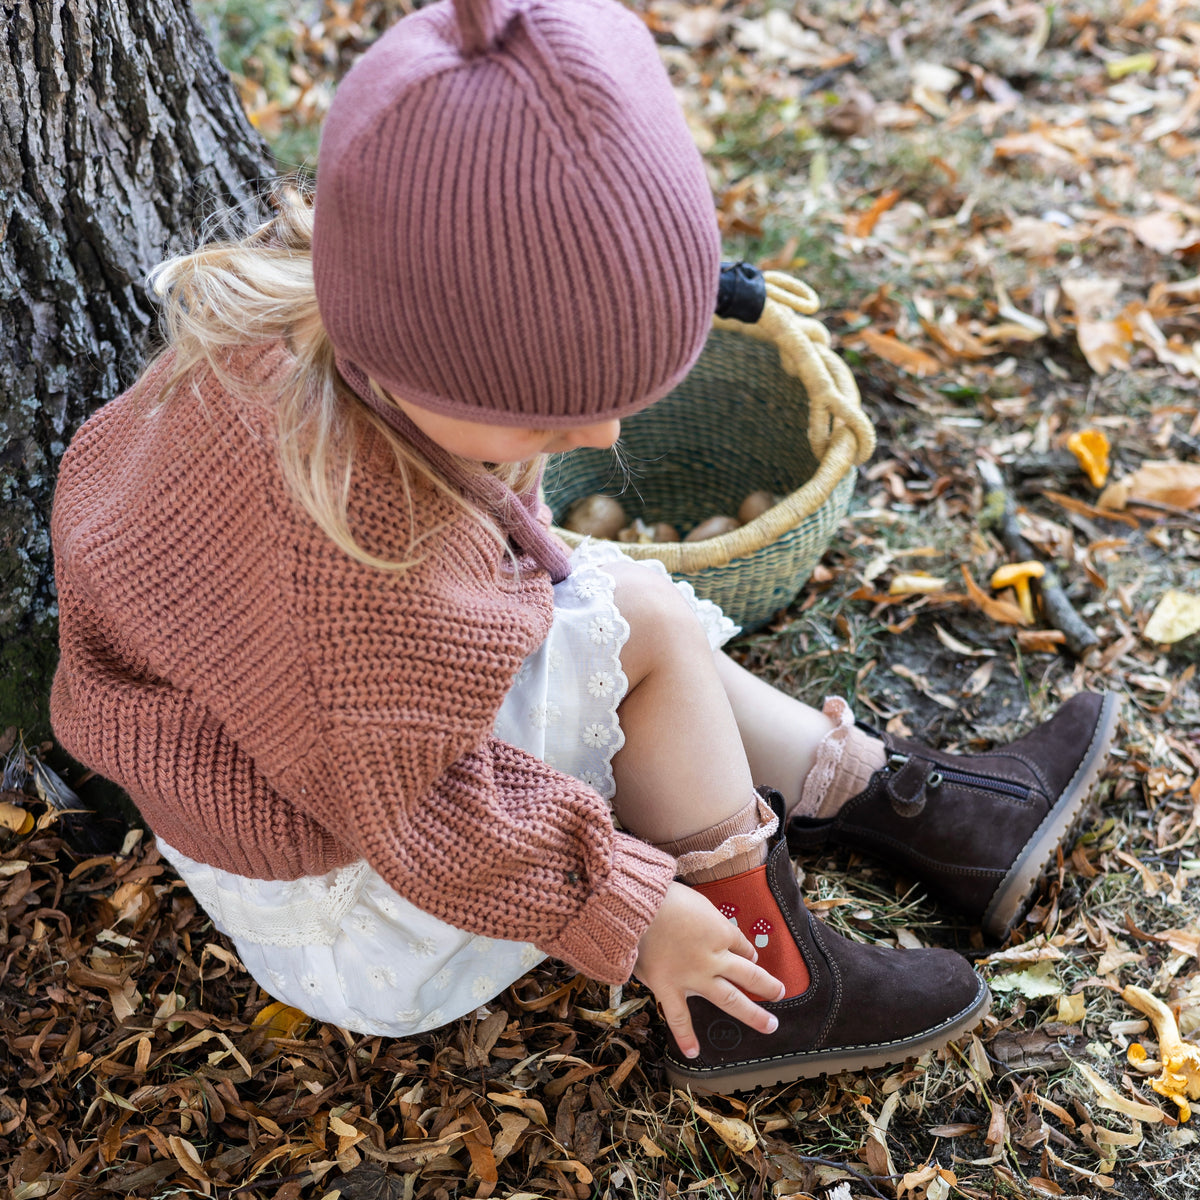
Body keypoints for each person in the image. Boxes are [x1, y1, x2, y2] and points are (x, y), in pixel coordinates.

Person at [49, 0, 1117, 1094]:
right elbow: (421, 807)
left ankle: (916, 807)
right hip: (362, 901)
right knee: (641, 627)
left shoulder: (323, 342)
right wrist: (629, 905)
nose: (600, 440)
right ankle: (764, 988)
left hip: (319, 762)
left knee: (604, 600)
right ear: (423, 353)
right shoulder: (348, 565)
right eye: (547, 422)